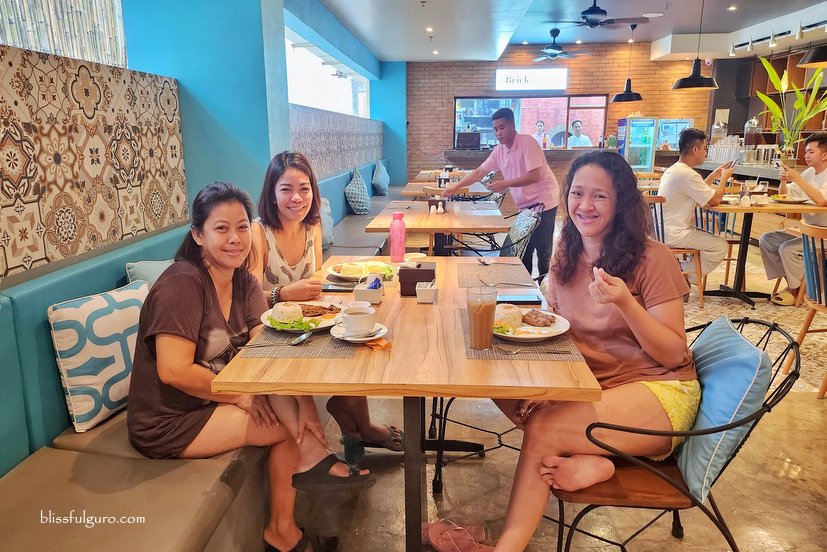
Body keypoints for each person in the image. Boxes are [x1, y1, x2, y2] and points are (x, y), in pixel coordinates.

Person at [491, 150, 699, 550]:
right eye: (577, 193)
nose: (585, 205)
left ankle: (507, 546)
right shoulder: (566, 254)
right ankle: (596, 457)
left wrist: (625, 303)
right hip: (592, 387)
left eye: (600, 196)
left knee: (543, 427)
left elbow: (674, 354)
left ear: (621, 202)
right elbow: (561, 329)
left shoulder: (652, 258)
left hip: (658, 390)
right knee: (497, 382)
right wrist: (547, 384)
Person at [127, 182, 338, 552]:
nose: (236, 238)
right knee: (287, 429)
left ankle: (303, 481)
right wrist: (240, 395)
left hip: (212, 398)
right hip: (171, 419)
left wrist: (305, 403)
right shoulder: (182, 284)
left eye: (242, 227)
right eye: (221, 228)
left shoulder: (244, 282)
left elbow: (268, 349)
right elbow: (173, 372)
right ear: (198, 235)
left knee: (291, 408)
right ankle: (284, 529)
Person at [250, 151, 404, 460]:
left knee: (360, 335)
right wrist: (284, 294)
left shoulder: (312, 226)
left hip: (307, 325)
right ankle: (357, 428)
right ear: (272, 193)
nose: (297, 198)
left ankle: (360, 424)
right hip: (270, 331)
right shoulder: (259, 232)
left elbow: (317, 280)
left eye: (304, 188)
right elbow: (248, 300)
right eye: (286, 189)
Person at [445, 108, 560, 277]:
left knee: (543, 251)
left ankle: (547, 288)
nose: (498, 133)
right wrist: (455, 187)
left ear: (513, 125)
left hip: (544, 202)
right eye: (495, 129)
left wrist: (504, 184)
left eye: (502, 127)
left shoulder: (527, 143)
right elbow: (479, 172)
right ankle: (524, 286)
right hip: (525, 206)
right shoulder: (499, 151)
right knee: (522, 249)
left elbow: (535, 176)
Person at [657, 128, 734, 283]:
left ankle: (682, 271)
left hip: (662, 231)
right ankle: (683, 274)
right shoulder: (688, 174)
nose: (706, 153)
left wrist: (713, 176)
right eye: (704, 148)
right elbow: (714, 200)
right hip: (676, 233)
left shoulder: (675, 170)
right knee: (720, 246)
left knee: (711, 240)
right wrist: (724, 178)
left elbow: (699, 193)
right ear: (695, 149)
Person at [760, 132, 827, 306]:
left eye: (811, 152)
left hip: (823, 234)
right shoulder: (810, 172)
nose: (806, 155)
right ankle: (795, 284)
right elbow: (786, 194)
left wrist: (797, 178)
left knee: (787, 249)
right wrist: (783, 181)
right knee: (767, 240)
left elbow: (821, 200)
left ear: (825, 155)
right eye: (806, 151)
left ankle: (794, 289)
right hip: (807, 230)